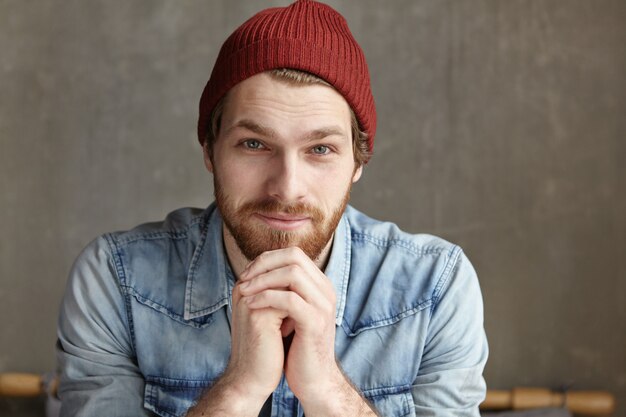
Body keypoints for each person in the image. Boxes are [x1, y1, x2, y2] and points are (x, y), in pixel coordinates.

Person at [56, 1, 488, 416]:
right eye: (254, 144)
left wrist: (327, 391)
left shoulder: (435, 289)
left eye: (320, 148)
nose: (287, 187)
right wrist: (240, 388)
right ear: (210, 149)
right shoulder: (117, 281)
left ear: (358, 161)